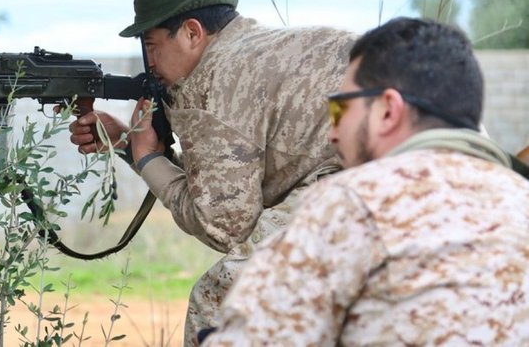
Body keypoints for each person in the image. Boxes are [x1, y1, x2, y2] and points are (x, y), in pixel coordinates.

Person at [200, 17, 529, 346]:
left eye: (341, 107)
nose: (332, 131)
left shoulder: (351, 202)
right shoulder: (521, 198)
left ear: (388, 110)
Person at [69, 0, 356, 346]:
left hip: (368, 172)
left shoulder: (214, 81)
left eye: (152, 45)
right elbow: (227, 177)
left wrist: (147, 160)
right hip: (401, 150)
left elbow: (222, 226)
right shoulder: (251, 51)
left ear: (192, 33)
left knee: (222, 297)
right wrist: (127, 143)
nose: (149, 62)